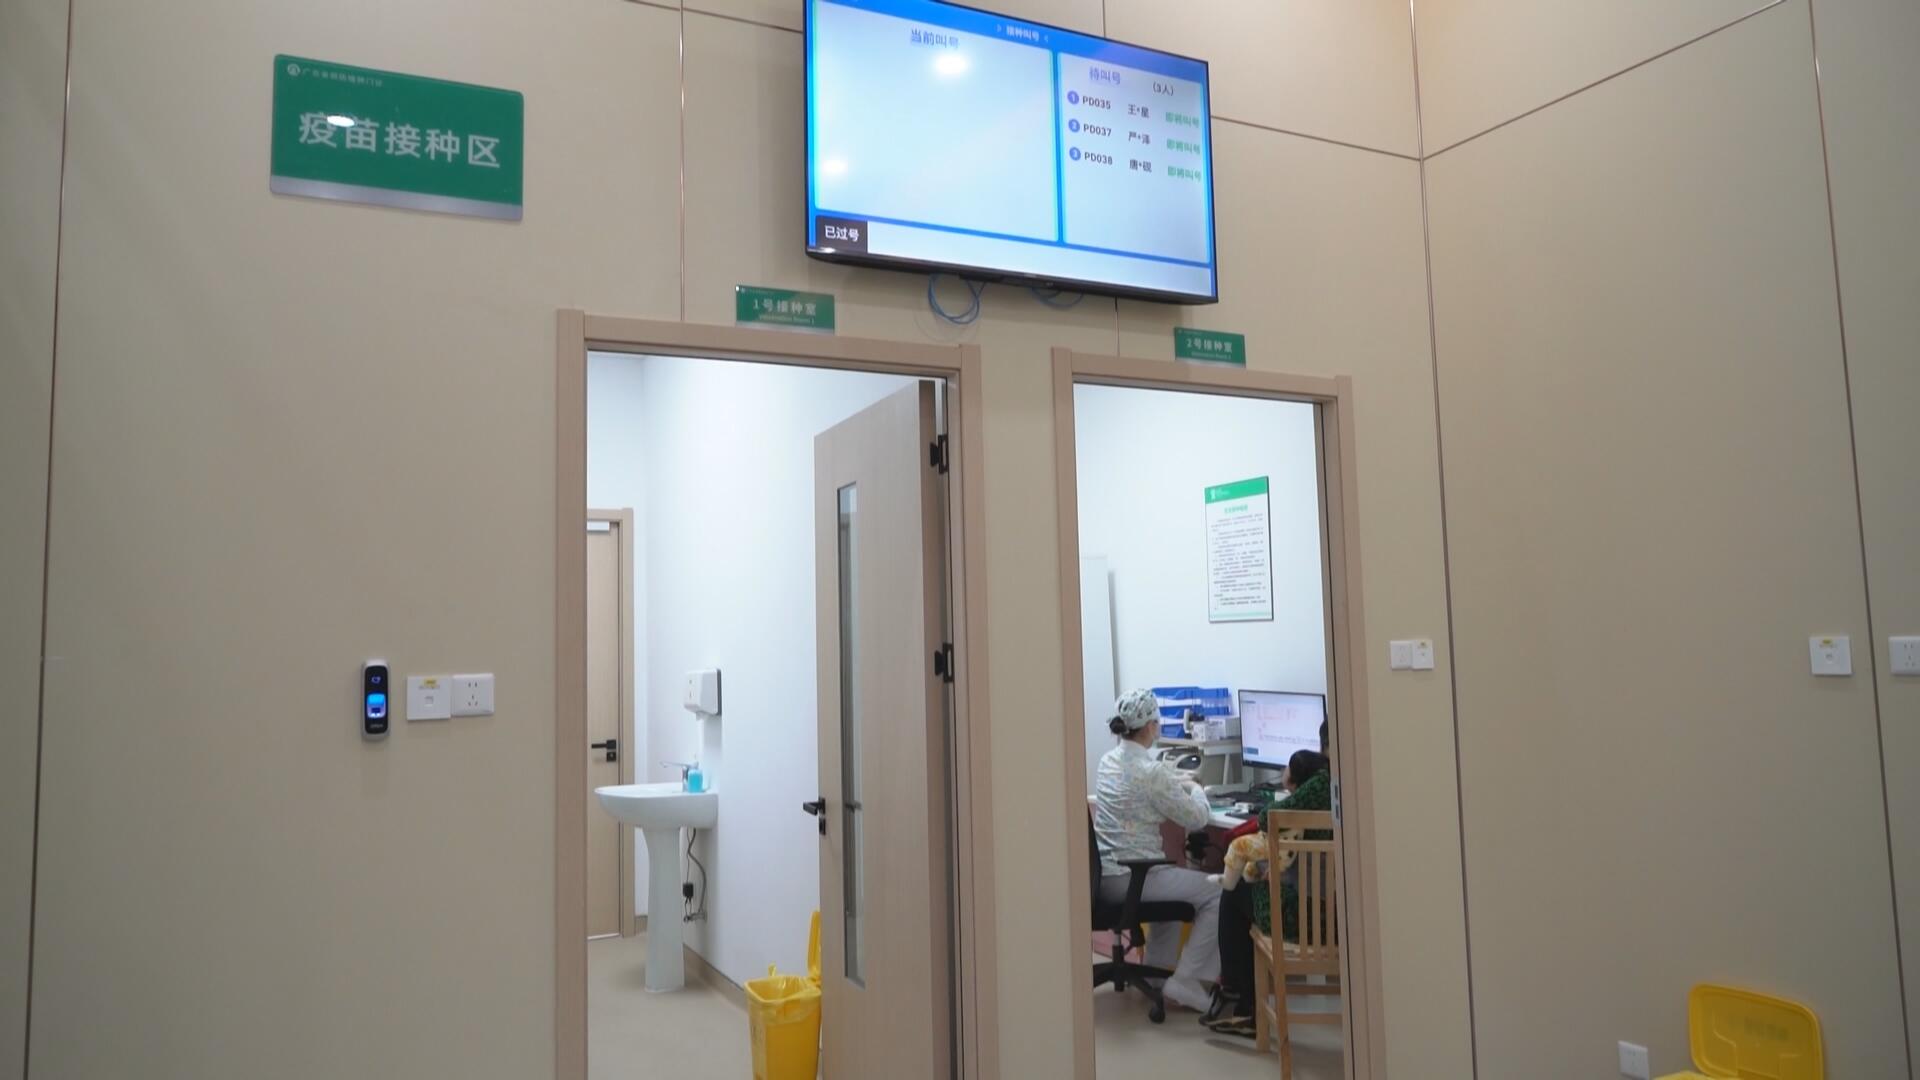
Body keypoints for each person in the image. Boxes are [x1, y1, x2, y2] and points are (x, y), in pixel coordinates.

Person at [1091, 688, 1220, 1014]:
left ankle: (1158, 974)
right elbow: (1197, 817)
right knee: (1220, 892)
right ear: (1150, 726)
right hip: (1134, 876)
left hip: (1104, 878)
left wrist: (1174, 778)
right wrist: (1196, 788)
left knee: (1173, 890)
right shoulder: (1151, 773)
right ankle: (1186, 980)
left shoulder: (1107, 761)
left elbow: (1145, 781)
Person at [1204, 748, 1333, 1037]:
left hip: (1306, 914)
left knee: (1235, 891)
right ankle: (1240, 997)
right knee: (1248, 882)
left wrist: (1287, 781)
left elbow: (1267, 818)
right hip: (1339, 911)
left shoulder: (1321, 783)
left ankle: (1240, 1001)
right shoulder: (1349, 782)